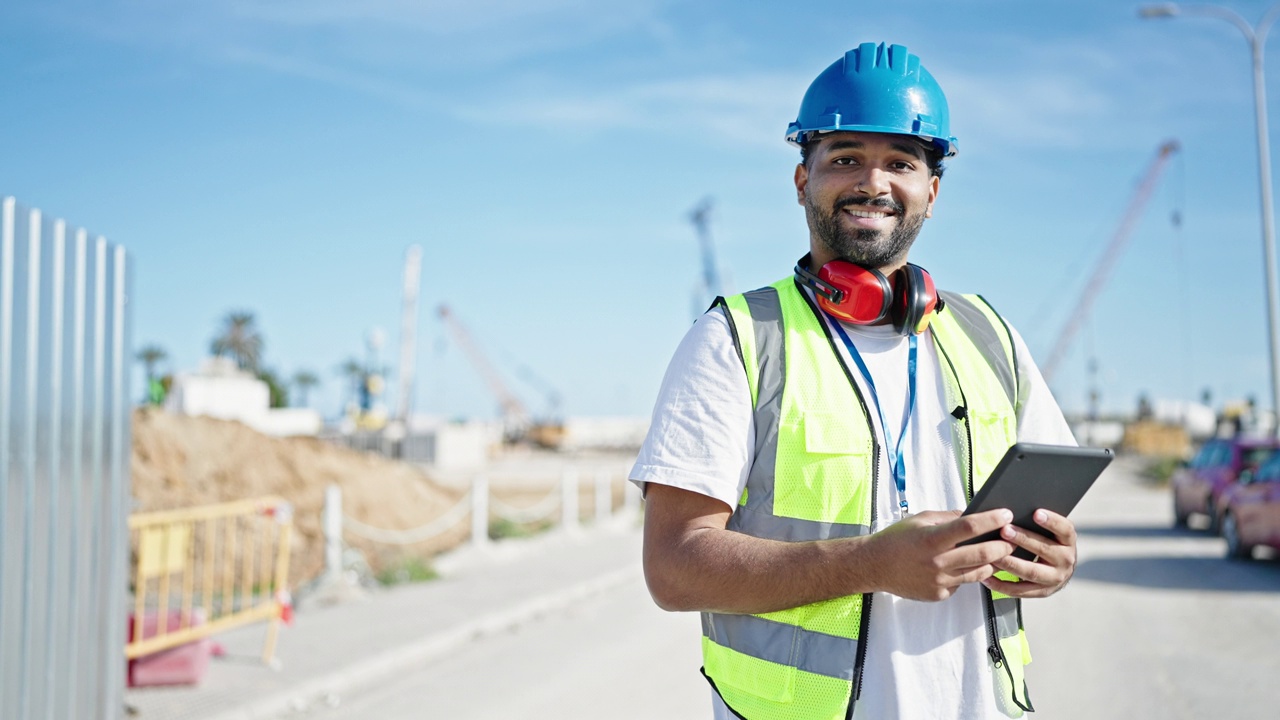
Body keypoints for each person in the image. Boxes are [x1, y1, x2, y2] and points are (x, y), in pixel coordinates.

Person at [630, 42, 1078, 720]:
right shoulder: (737, 341)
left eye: (900, 162)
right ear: (801, 178)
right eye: (845, 158)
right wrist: (868, 564)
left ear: (932, 190)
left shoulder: (991, 338)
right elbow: (673, 566)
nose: (874, 182)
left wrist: (1053, 562)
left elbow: (1046, 527)